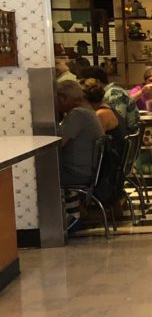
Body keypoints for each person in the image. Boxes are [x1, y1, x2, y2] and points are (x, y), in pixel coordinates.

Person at [55, 80, 105, 232]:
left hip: (77, 173)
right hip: (89, 170)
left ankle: (71, 218)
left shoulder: (77, 115)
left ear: (63, 97)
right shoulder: (88, 111)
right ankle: (74, 213)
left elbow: (57, 143)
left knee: (44, 176)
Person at [81, 65, 140, 132]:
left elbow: (120, 120)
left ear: (98, 81)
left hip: (127, 133)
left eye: (86, 82)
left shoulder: (114, 93)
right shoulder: (105, 93)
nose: (85, 85)